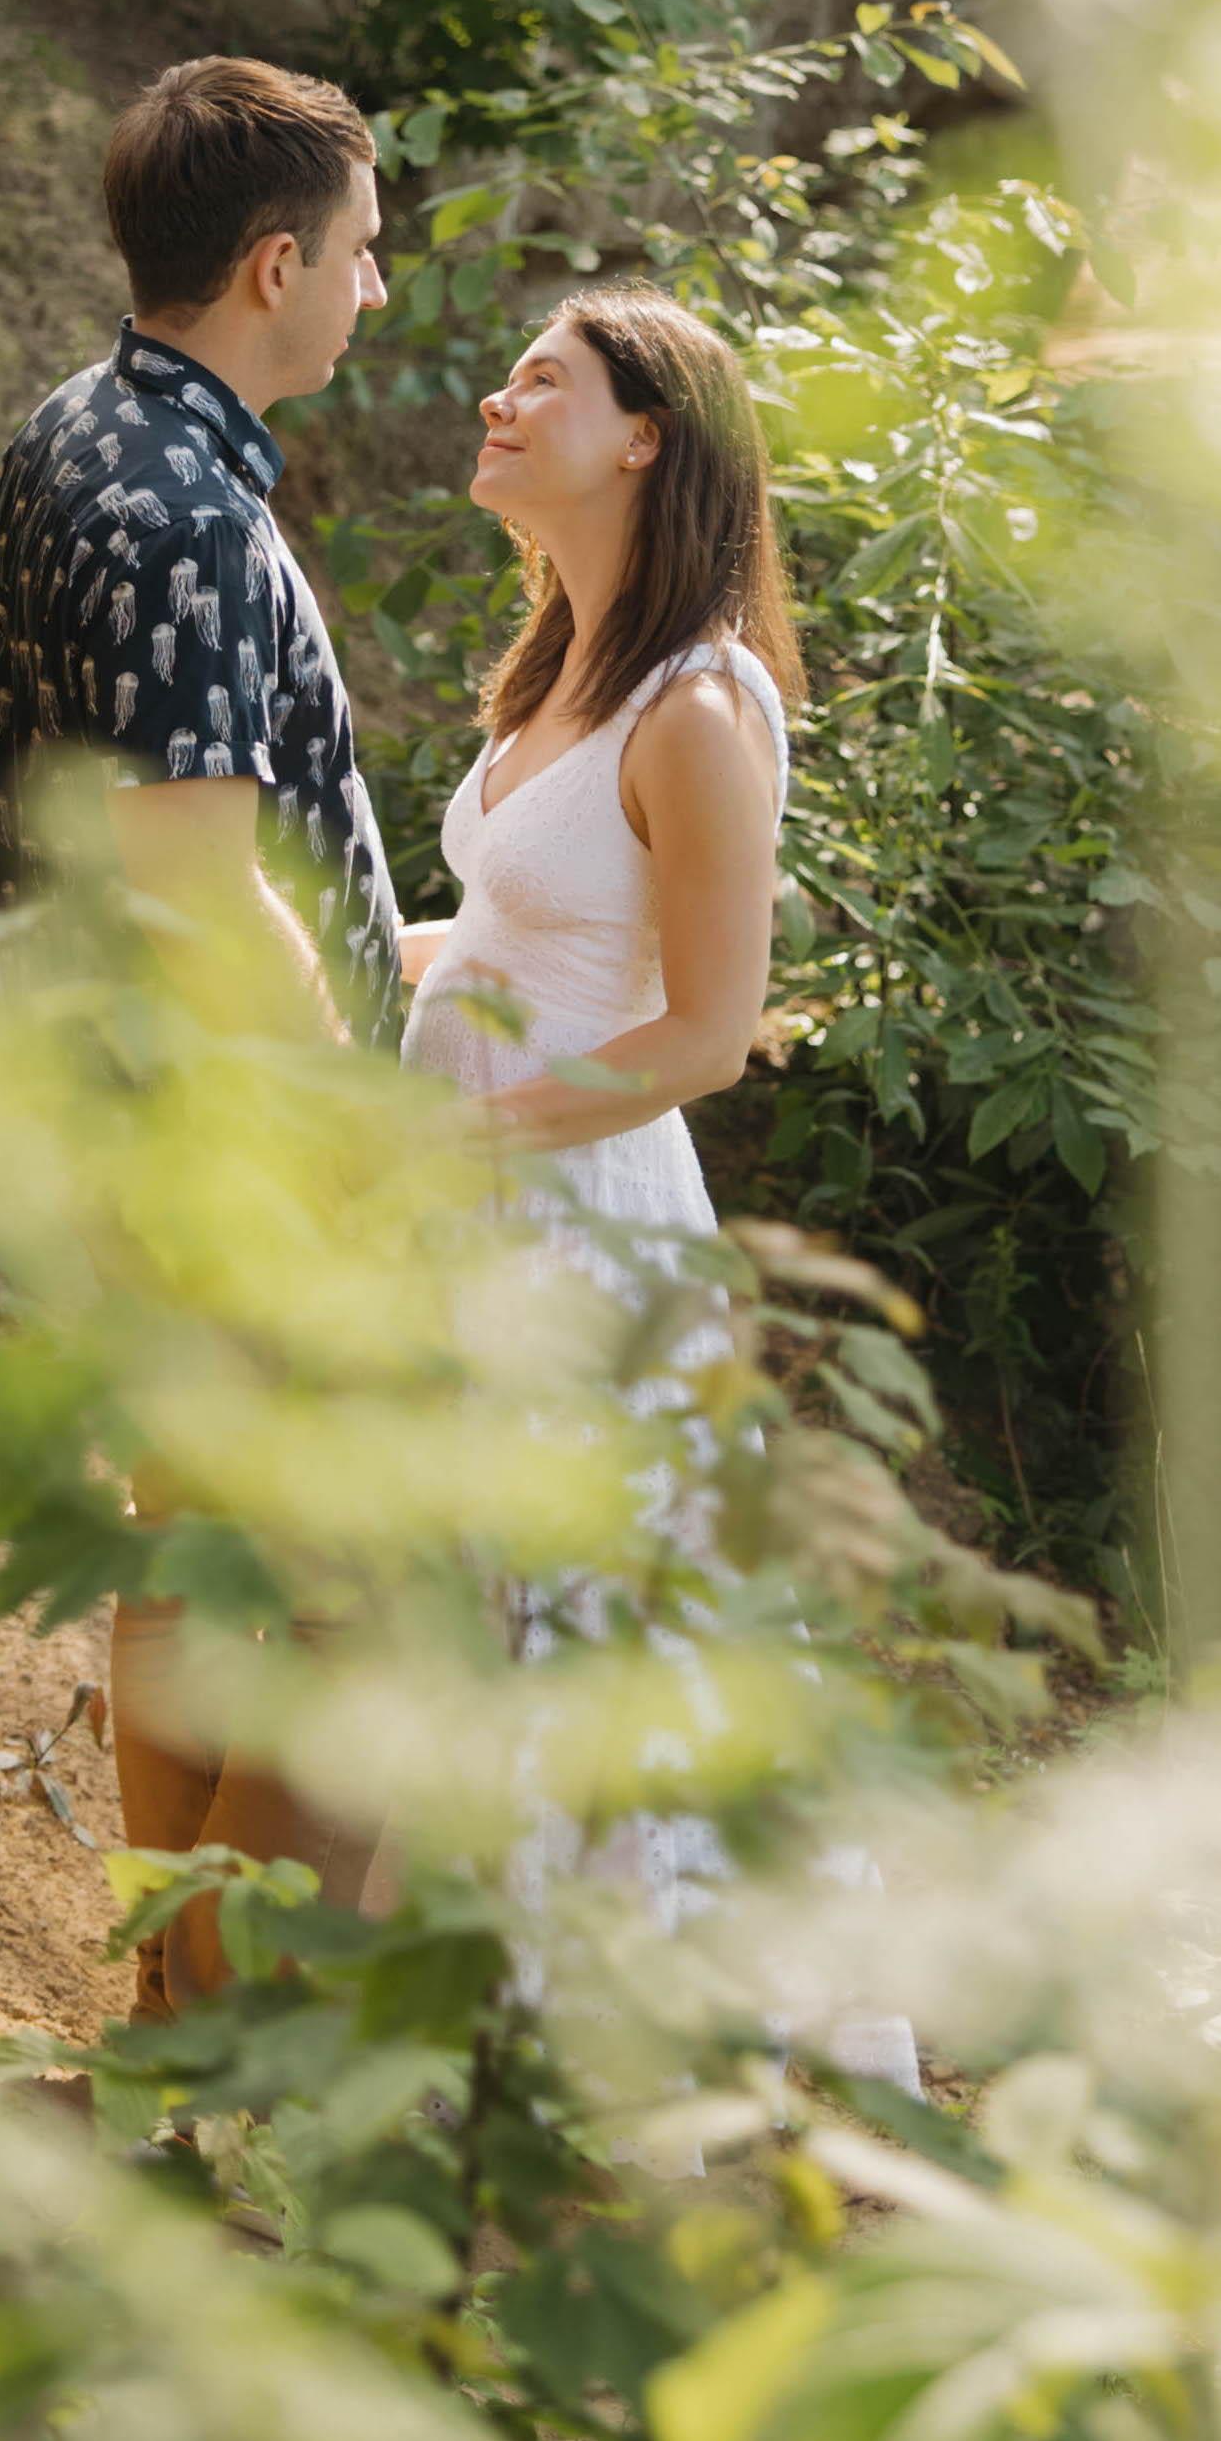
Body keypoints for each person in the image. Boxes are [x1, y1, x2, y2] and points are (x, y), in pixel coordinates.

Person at [396, 280, 923, 2100]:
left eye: (544, 376)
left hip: (579, 1224)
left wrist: (464, 1134)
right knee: (460, 1610)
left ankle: (631, 2079)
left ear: (645, 436)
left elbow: (706, 1027)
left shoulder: (704, 706)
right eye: (509, 366)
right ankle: (460, 2049)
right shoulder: (562, 664)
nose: (497, 390)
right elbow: (513, 931)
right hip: (468, 1207)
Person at [0, 55, 405, 2004]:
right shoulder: (187, 521)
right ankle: (196, 2068)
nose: (375, 294)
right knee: (342, 1620)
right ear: (270, 263)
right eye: (363, 255)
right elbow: (195, 883)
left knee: (184, 1568)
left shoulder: (70, 431)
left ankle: (157, 2028)